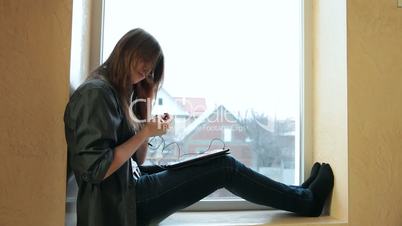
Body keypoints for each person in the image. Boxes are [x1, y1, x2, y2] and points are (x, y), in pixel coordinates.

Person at [64, 28, 334, 226]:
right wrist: (145, 132)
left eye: (149, 73)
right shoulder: (95, 94)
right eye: (143, 67)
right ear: (127, 52)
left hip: (130, 190)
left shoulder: (116, 91)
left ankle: (299, 193)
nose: (145, 75)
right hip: (124, 205)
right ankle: (306, 201)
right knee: (224, 168)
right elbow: (96, 169)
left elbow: (136, 159)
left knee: (209, 162)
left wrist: (145, 113)